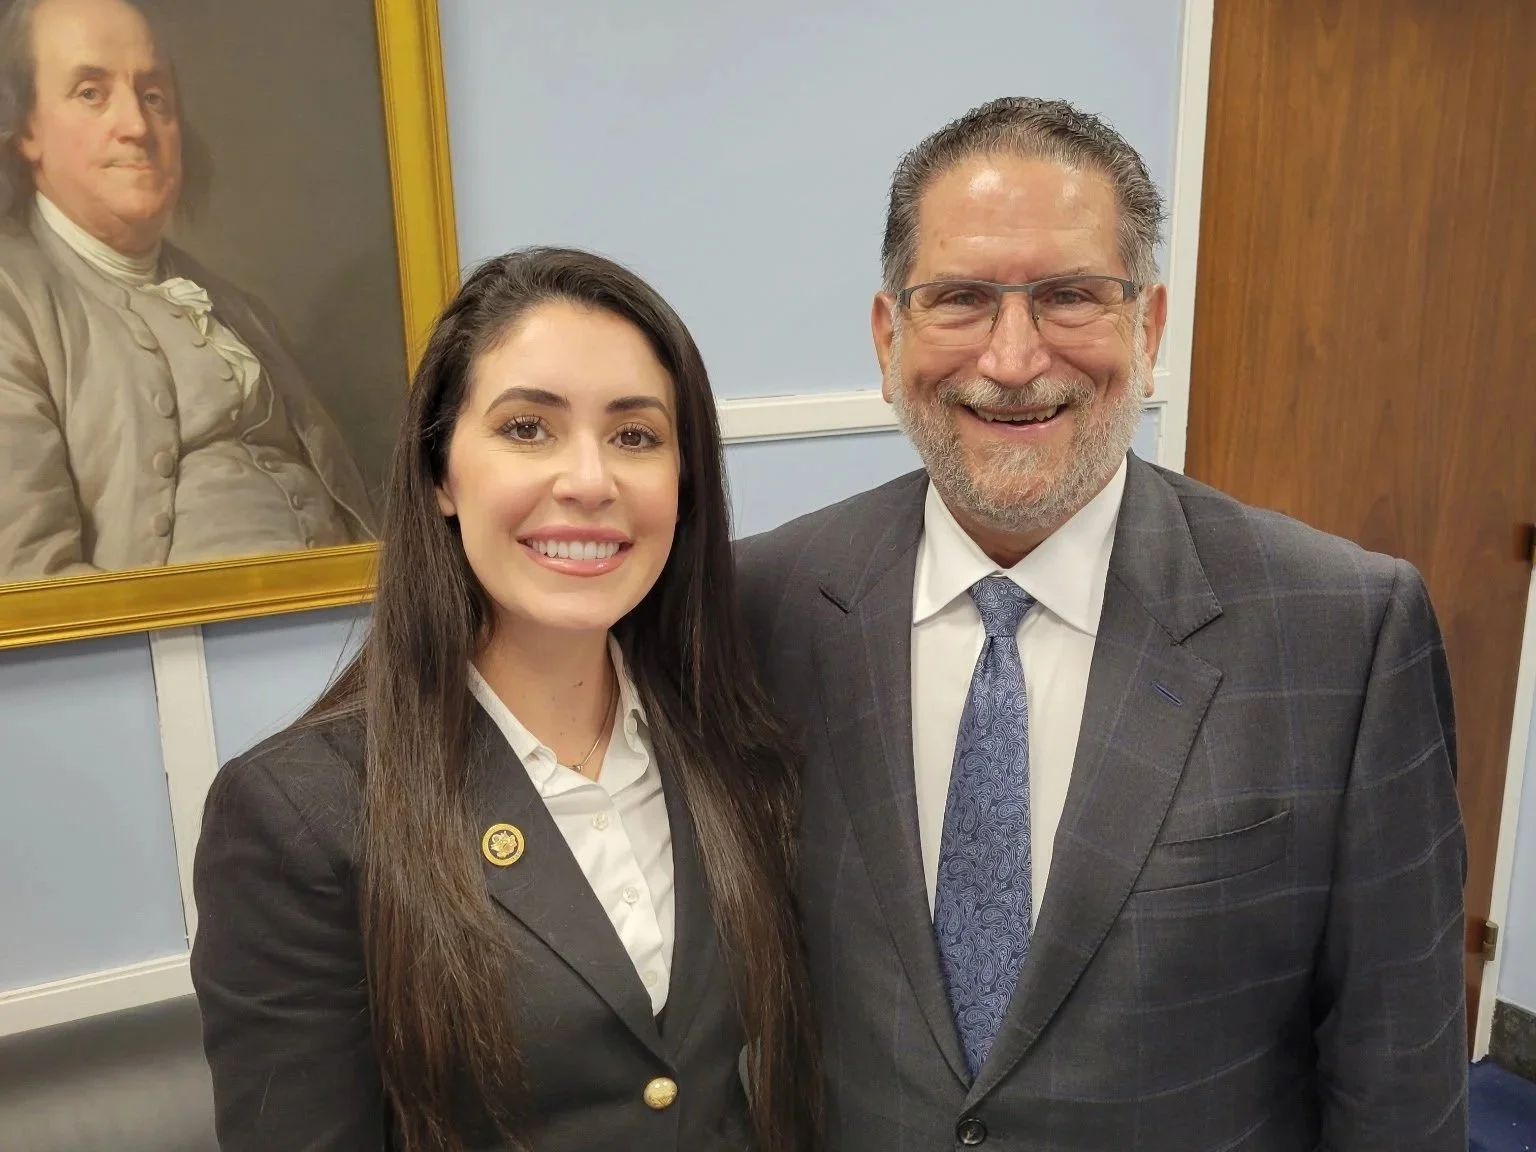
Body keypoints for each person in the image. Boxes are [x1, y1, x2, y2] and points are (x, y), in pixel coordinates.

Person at [736, 96, 1467, 1150]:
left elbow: (1398, 1077)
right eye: (960, 300)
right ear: (889, 336)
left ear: (1148, 326)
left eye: (1072, 296)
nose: (1015, 357)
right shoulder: (764, 603)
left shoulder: (1344, 632)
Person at [190, 248, 822, 1152]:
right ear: (441, 474)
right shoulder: (299, 814)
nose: (590, 481)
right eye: (528, 428)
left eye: (636, 436)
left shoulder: (730, 743)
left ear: (683, 483)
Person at [0, 0, 374, 580]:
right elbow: (31, 579)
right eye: (91, 93)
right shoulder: (11, 303)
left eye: (153, 96)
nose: (136, 127)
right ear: (27, 128)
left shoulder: (238, 309)